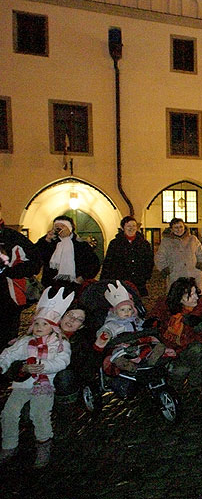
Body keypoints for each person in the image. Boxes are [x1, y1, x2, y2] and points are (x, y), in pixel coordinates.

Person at [0, 288, 72, 467]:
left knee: (39, 414)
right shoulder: (25, 342)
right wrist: (3, 365)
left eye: (44, 324)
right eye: (37, 324)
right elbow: (8, 354)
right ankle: (9, 445)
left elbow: (63, 361)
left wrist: (45, 366)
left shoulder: (59, 343)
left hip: (44, 385)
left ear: (53, 326)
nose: (40, 328)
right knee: (9, 412)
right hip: (22, 385)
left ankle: (43, 445)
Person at [93, 281, 168, 374]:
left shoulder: (135, 319)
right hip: (122, 345)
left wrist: (148, 324)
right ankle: (127, 365)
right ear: (116, 312)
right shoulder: (113, 323)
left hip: (138, 344)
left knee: (153, 345)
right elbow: (106, 329)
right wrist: (105, 334)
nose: (127, 312)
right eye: (122, 310)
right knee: (117, 355)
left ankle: (152, 357)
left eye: (129, 309)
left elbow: (142, 326)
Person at [152, 278, 202, 392]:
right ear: (179, 297)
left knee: (197, 349)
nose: (196, 297)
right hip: (170, 353)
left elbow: (198, 338)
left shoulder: (199, 312)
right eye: (191, 294)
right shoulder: (168, 313)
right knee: (180, 370)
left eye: (196, 293)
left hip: (188, 353)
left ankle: (194, 386)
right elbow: (157, 330)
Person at [0, 200, 43, 346]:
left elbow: (35, 261)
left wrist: (11, 271)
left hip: (7, 300)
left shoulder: (12, 237)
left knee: (5, 340)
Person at [35, 215, 100, 287]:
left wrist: (82, 278)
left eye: (62, 226)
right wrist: (46, 240)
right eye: (56, 226)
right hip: (52, 285)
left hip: (74, 285)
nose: (58, 228)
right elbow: (36, 255)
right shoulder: (50, 244)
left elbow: (94, 264)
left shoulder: (81, 246)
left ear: (70, 228)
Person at [100, 216, 154, 296]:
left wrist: (146, 275)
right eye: (128, 226)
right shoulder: (115, 244)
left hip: (139, 282)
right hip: (120, 282)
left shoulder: (144, 244)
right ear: (123, 228)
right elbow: (108, 263)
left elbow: (149, 261)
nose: (131, 228)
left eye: (134, 226)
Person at [154, 217, 202, 293]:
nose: (179, 229)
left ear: (184, 227)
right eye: (176, 227)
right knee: (177, 299)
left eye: (181, 227)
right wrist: (166, 269)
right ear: (171, 229)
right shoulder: (166, 242)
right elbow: (159, 257)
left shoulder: (193, 239)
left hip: (194, 274)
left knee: (196, 298)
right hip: (176, 275)